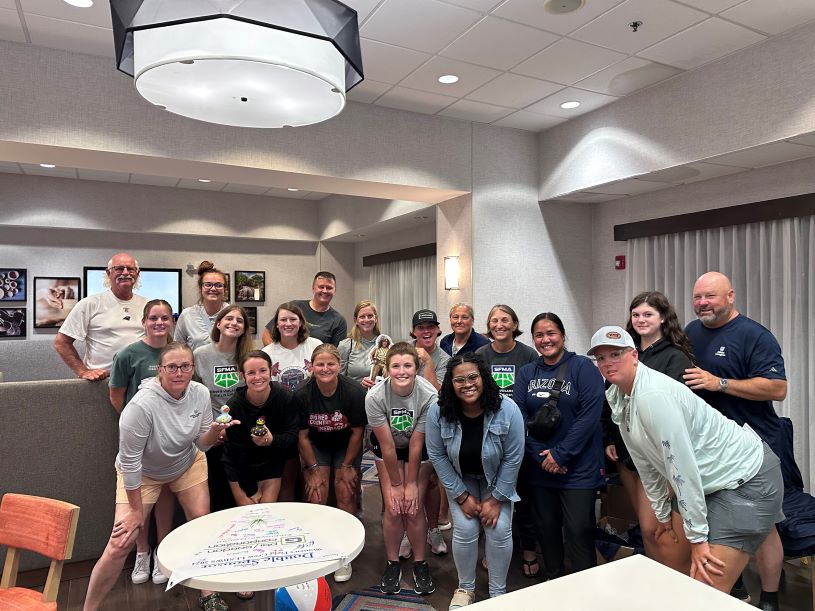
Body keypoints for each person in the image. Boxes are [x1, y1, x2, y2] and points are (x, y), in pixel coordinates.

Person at [591, 325, 784, 597]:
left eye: (616, 354)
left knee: (706, 586)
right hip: (712, 480)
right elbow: (646, 463)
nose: (608, 363)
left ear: (634, 355)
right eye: (601, 358)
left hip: (746, 479)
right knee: (669, 552)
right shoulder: (619, 395)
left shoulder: (652, 395)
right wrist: (662, 515)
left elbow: (681, 467)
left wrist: (697, 539)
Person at [83, 342, 238, 611]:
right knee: (121, 542)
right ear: (160, 370)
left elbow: (201, 444)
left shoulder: (199, 393)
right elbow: (130, 463)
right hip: (143, 473)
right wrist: (134, 512)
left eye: (185, 366)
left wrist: (214, 430)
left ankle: (208, 592)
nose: (179, 373)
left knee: (201, 524)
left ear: (192, 368)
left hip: (186, 463)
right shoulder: (141, 406)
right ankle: (89, 608)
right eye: (172, 367)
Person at [684, 271, 788, 611]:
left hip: (755, 447)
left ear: (730, 296)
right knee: (718, 522)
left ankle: (770, 597)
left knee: (765, 525)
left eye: (710, 296)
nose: (702, 303)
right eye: (698, 296)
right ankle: (737, 588)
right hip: (711, 451)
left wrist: (720, 383)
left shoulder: (754, 335)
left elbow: (778, 388)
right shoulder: (690, 332)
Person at [603, 291, 695, 572]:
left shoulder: (674, 358)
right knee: (645, 529)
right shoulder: (626, 353)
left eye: (648, 314)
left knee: (661, 529)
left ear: (663, 318)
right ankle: (655, 583)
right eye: (636, 315)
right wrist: (610, 438)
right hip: (626, 454)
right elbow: (611, 396)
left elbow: (672, 415)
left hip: (657, 456)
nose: (641, 320)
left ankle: (674, 585)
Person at [426, 353, 524, 608]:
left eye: (473, 377)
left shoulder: (507, 409)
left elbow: (514, 458)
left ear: (483, 378)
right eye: (459, 379)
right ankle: (465, 588)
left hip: (497, 481)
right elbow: (436, 454)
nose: (467, 384)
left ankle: (498, 593)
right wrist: (461, 496)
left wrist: (496, 499)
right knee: (466, 529)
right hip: (461, 478)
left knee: (499, 528)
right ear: (450, 383)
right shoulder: (439, 410)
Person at [514, 312, 604, 580]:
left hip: (578, 470)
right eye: (539, 335)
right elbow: (518, 417)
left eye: (551, 333)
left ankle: (585, 589)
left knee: (578, 532)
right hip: (540, 468)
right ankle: (554, 580)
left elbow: (590, 417)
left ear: (563, 336)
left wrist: (561, 455)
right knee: (547, 531)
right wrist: (541, 456)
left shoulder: (583, 368)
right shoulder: (527, 372)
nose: (545, 340)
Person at [108, 299, 176, 585]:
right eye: (153, 318)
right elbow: (116, 397)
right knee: (141, 500)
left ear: (172, 321)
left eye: (164, 318)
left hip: (171, 439)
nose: (159, 323)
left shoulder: (177, 352)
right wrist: (138, 427)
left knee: (166, 495)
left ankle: (162, 550)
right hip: (141, 441)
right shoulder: (128, 354)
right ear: (144, 322)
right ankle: (142, 552)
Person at [365, 342, 437, 596]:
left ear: (416, 368)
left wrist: (410, 486)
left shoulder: (429, 396)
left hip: (418, 447)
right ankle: (392, 562)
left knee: (414, 505)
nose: (402, 371)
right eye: (396, 366)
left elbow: (417, 444)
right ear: (387, 369)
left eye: (408, 365)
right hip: (387, 447)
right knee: (395, 508)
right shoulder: (375, 396)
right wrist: (396, 485)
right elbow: (387, 446)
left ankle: (420, 563)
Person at [475, 304, 539, 578]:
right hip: (489, 435)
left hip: (521, 434)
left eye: (505, 320)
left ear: (514, 323)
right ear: (489, 326)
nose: (499, 324)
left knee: (523, 495)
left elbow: (535, 393)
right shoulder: (480, 355)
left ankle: (528, 549)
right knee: (490, 493)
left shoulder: (527, 354)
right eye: (494, 320)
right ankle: (492, 547)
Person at [295, 344, 366, 583]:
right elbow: (302, 437)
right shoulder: (302, 393)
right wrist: (313, 469)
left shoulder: (354, 391)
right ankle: (318, 550)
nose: (325, 369)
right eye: (320, 364)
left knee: (345, 491)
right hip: (317, 446)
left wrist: (347, 466)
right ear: (312, 366)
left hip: (347, 445)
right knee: (317, 493)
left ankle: (344, 554)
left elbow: (358, 432)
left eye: (331, 364)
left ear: (339, 365)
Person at [194, 305, 255, 512]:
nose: (234, 323)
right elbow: (194, 395)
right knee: (218, 491)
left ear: (244, 328)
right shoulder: (200, 355)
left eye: (239, 321)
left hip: (242, 431)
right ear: (218, 324)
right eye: (229, 319)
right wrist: (214, 430)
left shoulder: (250, 356)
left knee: (245, 489)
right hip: (213, 432)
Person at [55, 252, 147, 380]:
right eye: (119, 268)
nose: (125, 272)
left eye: (130, 269)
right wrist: (82, 371)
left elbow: (163, 341)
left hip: (140, 379)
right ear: (108, 273)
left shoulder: (147, 305)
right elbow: (61, 342)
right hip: (102, 381)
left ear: (137, 273)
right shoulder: (90, 304)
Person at [262, 302, 321, 500]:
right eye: (283, 320)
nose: (288, 323)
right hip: (283, 421)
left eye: (293, 319)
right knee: (288, 477)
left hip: (312, 417)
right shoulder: (268, 352)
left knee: (311, 476)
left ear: (301, 322)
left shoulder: (315, 346)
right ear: (276, 325)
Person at [409, 309, 450, 556]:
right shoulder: (403, 351)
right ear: (413, 331)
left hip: (435, 425)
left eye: (430, 327)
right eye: (421, 327)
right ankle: (407, 531)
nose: (426, 331)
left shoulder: (444, 358)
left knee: (432, 481)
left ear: (437, 330)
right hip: (405, 425)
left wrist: (428, 363)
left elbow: (440, 395)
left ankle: (433, 530)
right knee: (406, 481)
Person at [262, 271, 347, 346]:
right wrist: (280, 355)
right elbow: (267, 334)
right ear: (313, 289)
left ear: (334, 291)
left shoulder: (338, 320)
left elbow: (335, 352)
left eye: (329, 288)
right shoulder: (294, 307)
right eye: (321, 287)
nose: (324, 291)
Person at [174, 261, 229, 351]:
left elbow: (243, 346)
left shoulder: (233, 314)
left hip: (226, 364)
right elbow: (177, 349)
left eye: (218, 285)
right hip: (197, 364)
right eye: (208, 285)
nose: (213, 289)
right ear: (200, 288)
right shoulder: (187, 315)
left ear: (225, 289)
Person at [338, 300, 383, 389]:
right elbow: (338, 379)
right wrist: (358, 384)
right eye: (362, 317)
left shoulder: (385, 344)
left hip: (379, 399)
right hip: (354, 398)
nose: (366, 320)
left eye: (370, 316)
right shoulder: (346, 346)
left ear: (376, 318)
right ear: (356, 320)